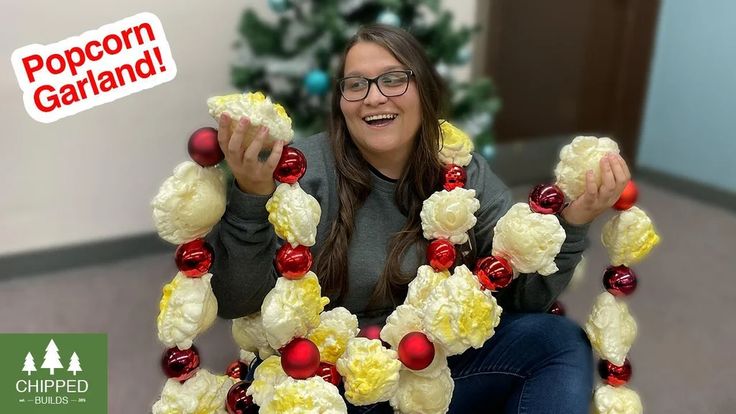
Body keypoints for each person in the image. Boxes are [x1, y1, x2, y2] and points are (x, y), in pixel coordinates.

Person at [207, 24, 631, 414]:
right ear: (341, 102)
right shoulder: (299, 172)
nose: (374, 97)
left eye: (393, 79)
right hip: (323, 385)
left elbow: (526, 298)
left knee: (556, 342)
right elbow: (237, 301)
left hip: (430, 371)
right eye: (356, 85)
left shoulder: (463, 173)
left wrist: (575, 219)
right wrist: (250, 195)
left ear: (423, 90)